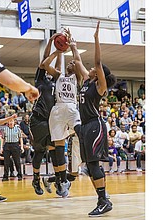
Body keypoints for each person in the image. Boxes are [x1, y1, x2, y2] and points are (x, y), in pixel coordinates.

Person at [69, 21, 116, 217]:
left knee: (94, 165)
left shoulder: (99, 87)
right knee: (89, 165)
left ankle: (103, 200)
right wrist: (73, 46)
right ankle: (103, 199)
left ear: (99, 74)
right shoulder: (88, 82)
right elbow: (78, 60)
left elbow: (97, 62)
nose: (90, 68)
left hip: (95, 126)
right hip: (86, 126)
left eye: (94, 69)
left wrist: (96, 39)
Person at [41, 30, 82, 198]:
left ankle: (86, 163)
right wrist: (56, 49)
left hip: (72, 109)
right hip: (57, 110)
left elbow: (78, 60)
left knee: (81, 133)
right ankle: (62, 181)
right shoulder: (59, 76)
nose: (71, 63)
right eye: (69, 63)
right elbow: (44, 65)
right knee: (58, 146)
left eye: (73, 63)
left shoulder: (77, 78)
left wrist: (72, 46)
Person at [29, 33, 68, 197]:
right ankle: (36, 178)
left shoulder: (56, 81)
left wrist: (61, 53)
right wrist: (53, 45)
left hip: (51, 121)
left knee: (53, 150)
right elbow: (45, 60)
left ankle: (58, 181)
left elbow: (58, 67)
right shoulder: (40, 79)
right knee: (39, 152)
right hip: (38, 120)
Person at [0, 62, 39, 202]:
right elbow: (8, 79)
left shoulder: (15, 126)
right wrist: (29, 88)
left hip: (15, 144)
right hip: (8, 145)